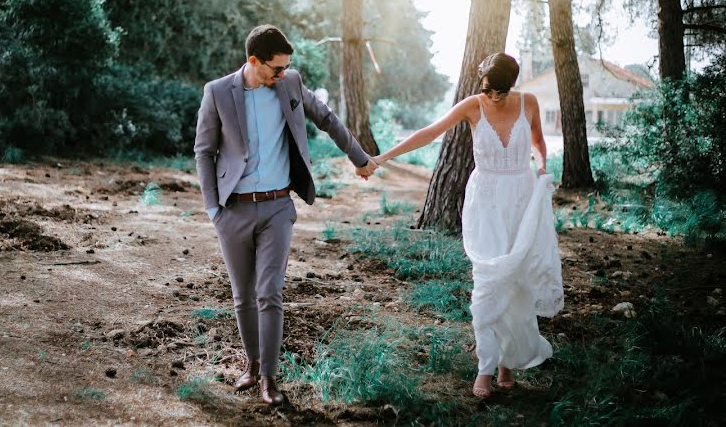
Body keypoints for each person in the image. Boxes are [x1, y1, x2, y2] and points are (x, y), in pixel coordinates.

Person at [194, 25, 378, 405]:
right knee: (242, 295)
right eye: (276, 68)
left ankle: (269, 379)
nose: (283, 74)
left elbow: (326, 118)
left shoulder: (290, 83)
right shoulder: (217, 92)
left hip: (278, 206)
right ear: (253, 61)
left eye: (286, 68)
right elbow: (204, 151)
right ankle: (251, 364)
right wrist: (213, 208)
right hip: (233, 209)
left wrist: (359, 158)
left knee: (270, 293)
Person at [372, 52, 563, 400]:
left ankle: (508, 363)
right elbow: (429, 133)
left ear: (512, 85)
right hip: (486, 200)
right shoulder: (472, 106)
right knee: (489, 280)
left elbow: (537, 142)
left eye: (499, 91)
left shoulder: (529, 102)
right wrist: (381, 158)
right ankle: (485, 368)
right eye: (488, 90)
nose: (492, 97)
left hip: (521, 198)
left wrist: (543, 167)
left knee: (517, 281)